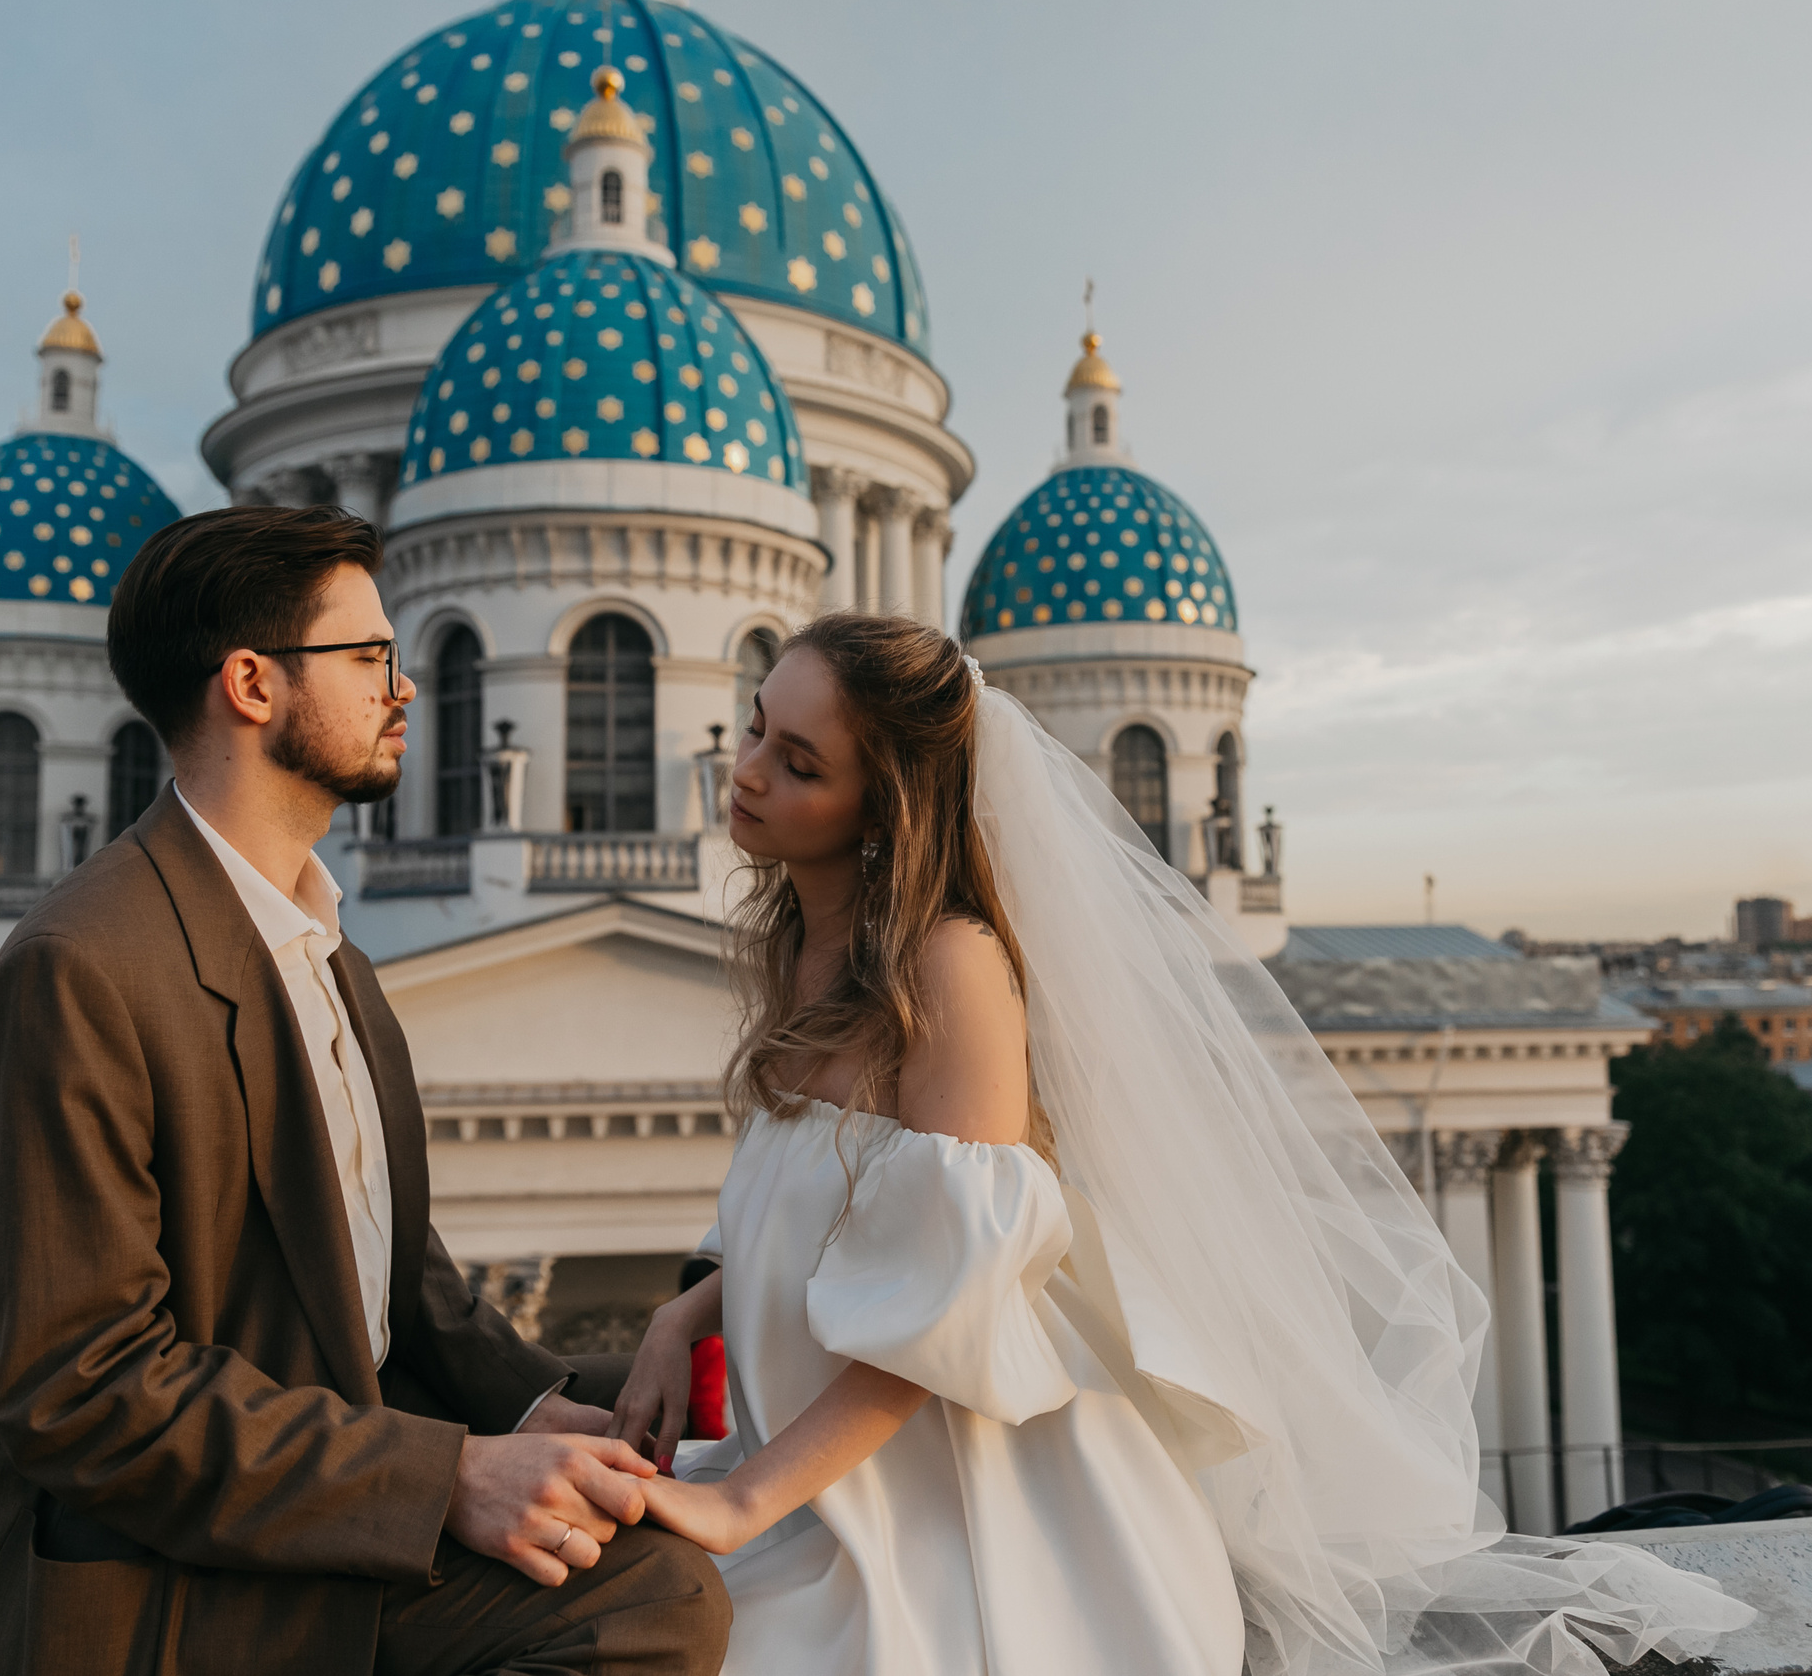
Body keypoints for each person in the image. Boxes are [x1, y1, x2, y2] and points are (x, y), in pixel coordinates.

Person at [610, 612, 1753, 1676]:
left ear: (888, 806)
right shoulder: (800, 941)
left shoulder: (944, 970)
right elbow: (812, 1197)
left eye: (800, 762)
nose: (747, 770)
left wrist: (742, 1502)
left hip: (964, 1521)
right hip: (822, 1476)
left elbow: (940, 1310)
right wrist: (688, 1307)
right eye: (756, 724)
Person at [0, 506, 729, 1676]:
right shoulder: (82, 969)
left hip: (304, 1514)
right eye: (369, 655)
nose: (407, 686)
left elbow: (399, 1292)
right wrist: (450, 1478)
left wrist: (549, 1417)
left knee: (673, 1561)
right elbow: (85, 1393)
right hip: (161, 1592)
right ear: (252, 683)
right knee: (647, 1609)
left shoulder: (327, 952)